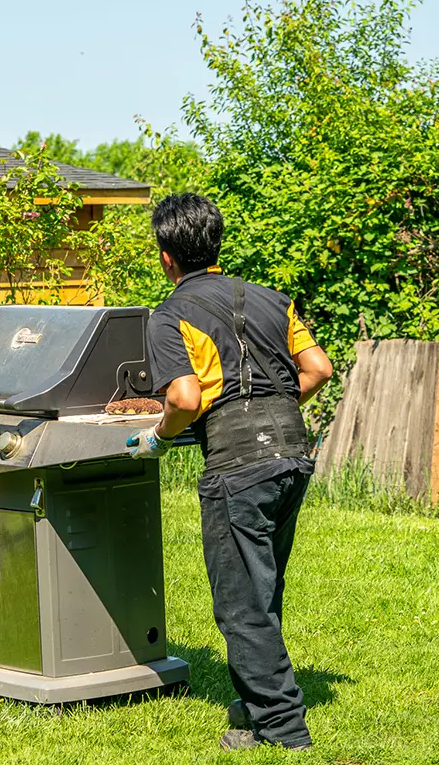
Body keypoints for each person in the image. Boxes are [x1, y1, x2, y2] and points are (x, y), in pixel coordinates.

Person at [126, 193, 333, 751]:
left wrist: (159, 438)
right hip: (293, 452)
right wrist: (274, 407)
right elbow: (318, 368)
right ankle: (252, 701)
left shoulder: (170, 315)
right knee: (263, 589)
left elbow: (186, 397)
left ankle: (283, 729)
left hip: (237, 464)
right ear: (215, 244)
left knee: (241, 604)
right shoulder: (270, 298)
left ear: (167, 257)